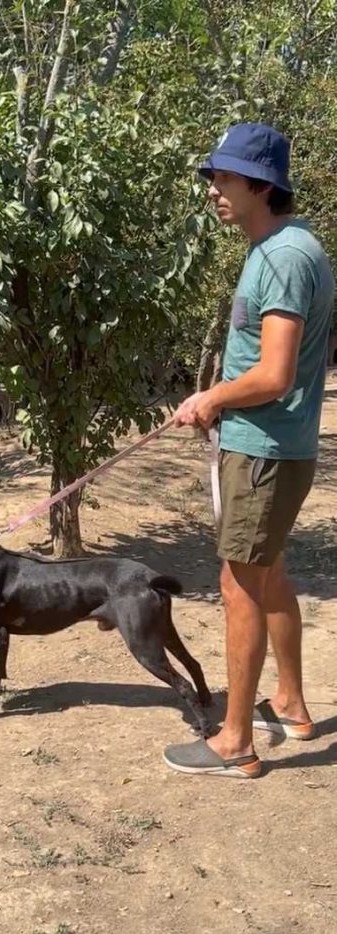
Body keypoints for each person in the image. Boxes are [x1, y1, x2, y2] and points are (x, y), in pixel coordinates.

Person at [164, 122, 335, 779]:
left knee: (238, 588)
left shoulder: (284, 257)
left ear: (262, 186)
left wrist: (210, 398)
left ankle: (233, 741)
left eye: (225, 177)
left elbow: (274, 375)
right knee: (269, 575)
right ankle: (289, 703)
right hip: (272, 447)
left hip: (263, 450)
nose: (214, 189)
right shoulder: (279, 246)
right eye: (212, 176)